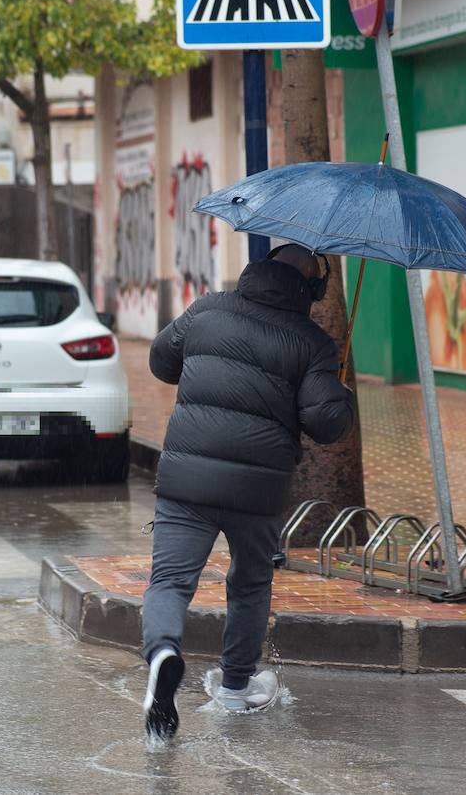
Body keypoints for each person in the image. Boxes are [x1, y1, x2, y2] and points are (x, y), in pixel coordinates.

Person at [141, 244, 355, 740]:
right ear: (312, 289)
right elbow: (326, 424)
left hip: (186, 479)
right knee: (251, 583)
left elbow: (160, 361)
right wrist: (337, 392)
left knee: (170, 581)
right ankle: (236, 685)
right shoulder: (312, 342)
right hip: (258, 489)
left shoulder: (208, 308)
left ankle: (164, 654)